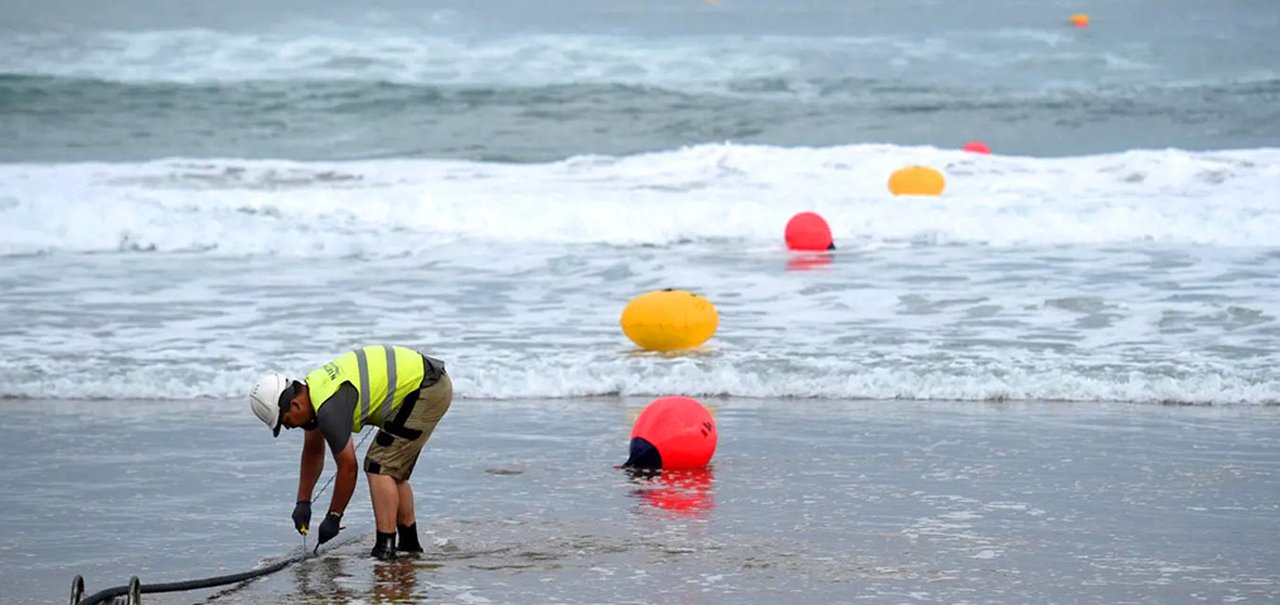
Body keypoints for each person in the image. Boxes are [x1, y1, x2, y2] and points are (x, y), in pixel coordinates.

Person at [249, 345, 451, 560]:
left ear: (296, 404)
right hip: (425, 384)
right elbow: (313, 452)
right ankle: (409, 546)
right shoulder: (315, 392)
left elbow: (348, 467)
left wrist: (334, 517)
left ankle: (385, 549)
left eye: (285, 421)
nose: (289, 427)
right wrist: (303, 502)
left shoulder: (327, 408)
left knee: (378, 467)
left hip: (426, 388)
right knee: (390, 469)